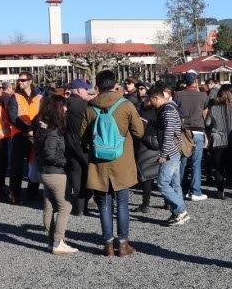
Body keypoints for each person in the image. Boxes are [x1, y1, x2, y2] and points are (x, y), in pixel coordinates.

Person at [81, 70, 146, 256]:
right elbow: (139, 132)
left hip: (98, 162)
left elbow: (82, 137)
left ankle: (108, 245)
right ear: (115, 84)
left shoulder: (89, 107)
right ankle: (123, 244)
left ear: (98, 86)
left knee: (104, 204)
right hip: (122, 160)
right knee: (123, 203)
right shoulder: (125, 105)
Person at [34, 95, 78, 255]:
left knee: (49, 206)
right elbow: (51, 154)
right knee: (65, 206)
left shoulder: (41, 127)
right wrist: (66, 162)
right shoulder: (52, 131)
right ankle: (58, 242)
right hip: (56, 173)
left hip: (44, 172)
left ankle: (50, 240)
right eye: (64, 106)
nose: (66, 109)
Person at [148, 84, 191, 225]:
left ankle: (180, 210)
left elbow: (168, 134)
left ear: (156, 98)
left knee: (162, 183)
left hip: (170, 153)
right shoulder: (169, 109)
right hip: (174, 151)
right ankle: (177, 213)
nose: (150, 103)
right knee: (175, 184)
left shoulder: (167, 110)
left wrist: (164, 154)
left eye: (151, 100)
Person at [205, 84, 232, 199]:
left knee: (219, 168)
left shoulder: (213, 109)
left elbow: (207, 123)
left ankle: (220, 191)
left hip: (218, 141)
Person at [7, 71, 43, 203]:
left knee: (34, 165)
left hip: (35, 135)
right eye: (19, 80)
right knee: (17, 167)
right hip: (19, 135)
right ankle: (14, 195)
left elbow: (42, 114)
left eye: (23, 80)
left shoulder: (39, 97)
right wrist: (27, 129)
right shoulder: (14, 97)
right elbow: (12, 117)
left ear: (30, 81)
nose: (20, 82)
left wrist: (35, 129)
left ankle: (32, 193)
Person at [174, 73, 209, 201]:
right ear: (196, 81)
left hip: (184, 130)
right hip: (198, 130)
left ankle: (181, 189)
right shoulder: (203, 95)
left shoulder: (178, 95)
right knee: (196, 162)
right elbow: (205, 111)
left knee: (183, 161)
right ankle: (195, 191)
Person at [64, 79, 93, 215]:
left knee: (76, 174)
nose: (87, 92)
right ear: (80, 90)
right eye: (86, 90)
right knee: (88, 175)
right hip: (83, 144)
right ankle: (84, 204)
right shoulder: (85, 105)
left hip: (69, 144)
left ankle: (78, 207)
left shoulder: (65, 103)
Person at [135, 94, 161, 213]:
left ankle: (145, 204)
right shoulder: (160, 112)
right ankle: (167, 202)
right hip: (159, 143)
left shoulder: (141, 113)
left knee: (146, 176)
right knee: (162, 174)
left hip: (144, 144)